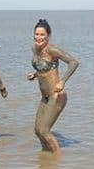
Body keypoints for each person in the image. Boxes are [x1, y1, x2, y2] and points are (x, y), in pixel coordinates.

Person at [26, 19, 79, 152]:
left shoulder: (52, 50)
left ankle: (57, 158)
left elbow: (73, 62)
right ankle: (45, 159)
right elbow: (45, 68)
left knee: (44, 131)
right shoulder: (34, 48)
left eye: (42, 35)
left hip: (56, 96)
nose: (39, 37)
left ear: (48, 36)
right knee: (37, 131)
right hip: (44, 98)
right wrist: (35, 74)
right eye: (37, 34)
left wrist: (62, 81)